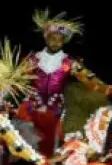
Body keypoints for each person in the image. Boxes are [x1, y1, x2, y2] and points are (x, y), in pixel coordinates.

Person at [16, 9, 111, 156]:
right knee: (22, 144)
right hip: (30, 108)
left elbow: (90, 79)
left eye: (60, 38)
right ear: (46, 38)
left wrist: (107, 90)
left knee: (47, 147)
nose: (56, 41)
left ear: (64, 41)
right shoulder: (32, 60)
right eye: (53, 37)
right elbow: (15, 79)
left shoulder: (69, 62)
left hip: (54, 111)